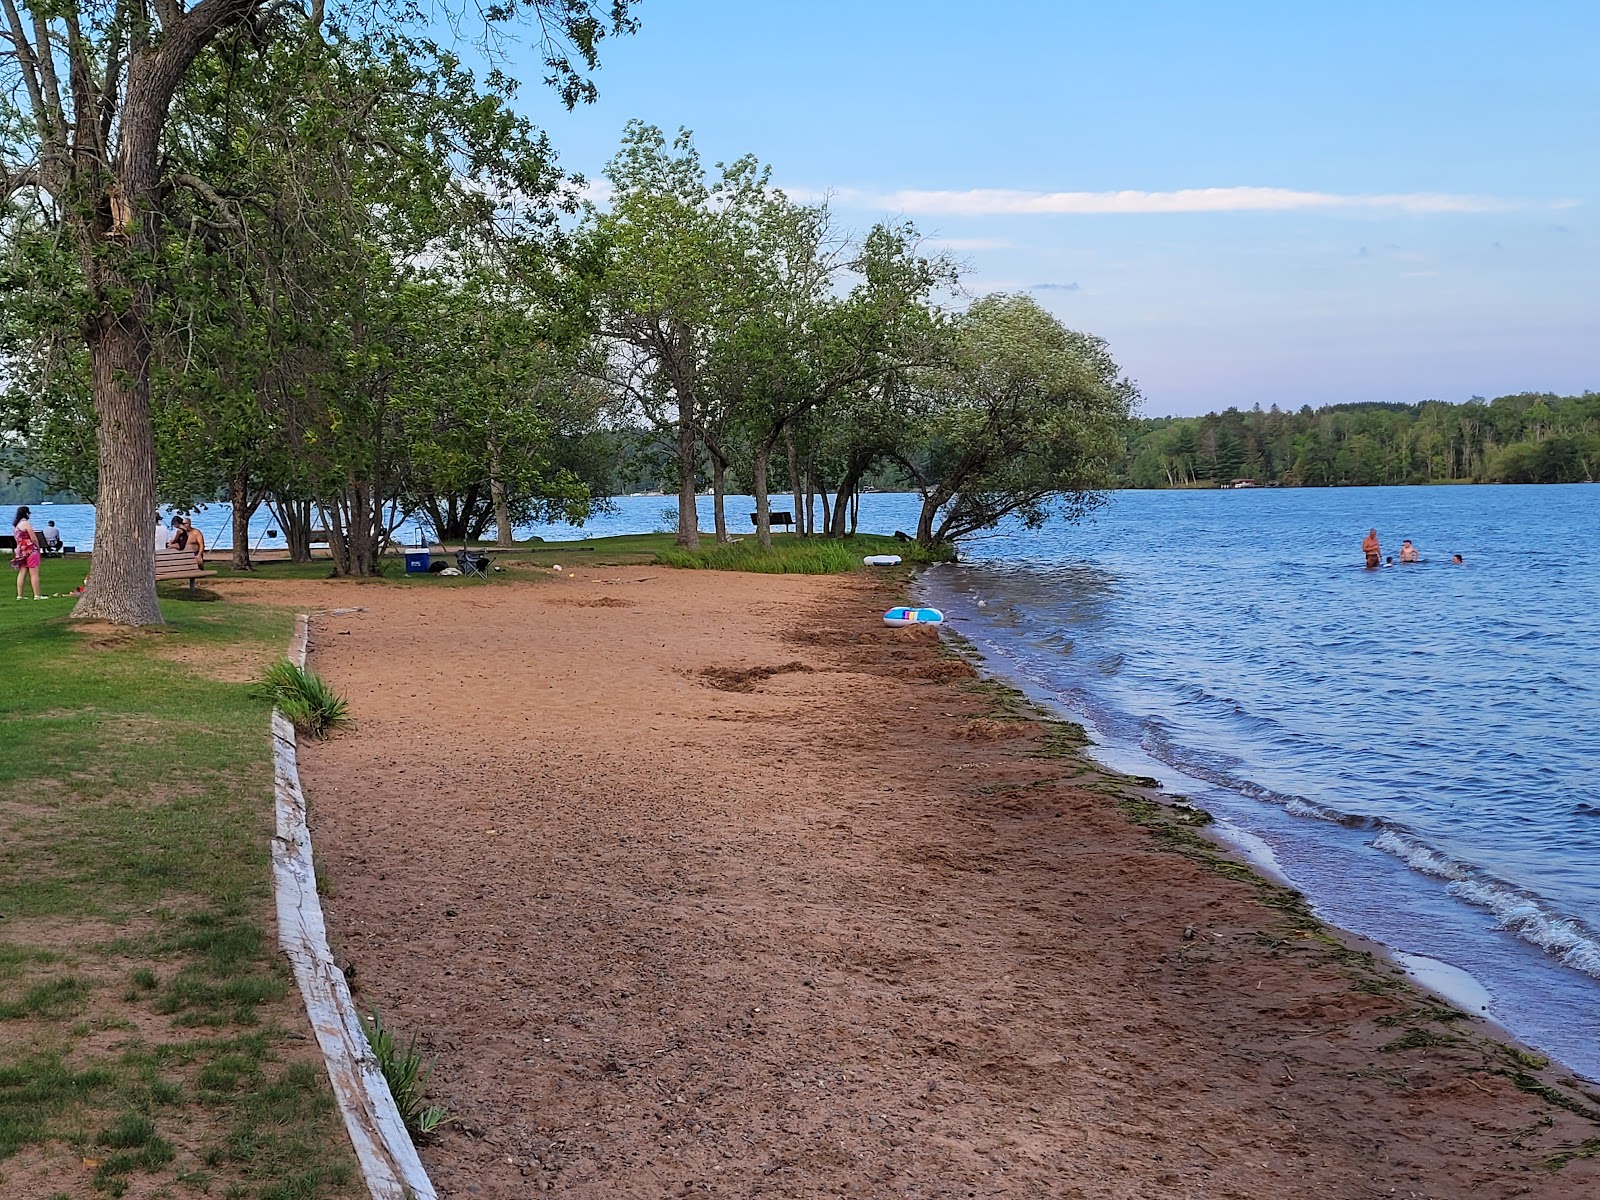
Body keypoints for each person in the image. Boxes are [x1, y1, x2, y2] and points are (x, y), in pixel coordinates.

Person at [12, 506, 44, 600]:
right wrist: (38, 548)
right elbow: (33, 538)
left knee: (22, 572)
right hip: (30, 549)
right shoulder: (26, 523)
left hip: (21, 550)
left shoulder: (16, 526)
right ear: (26, 513)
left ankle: (20, 595)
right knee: (34, 573)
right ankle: (37, 595)